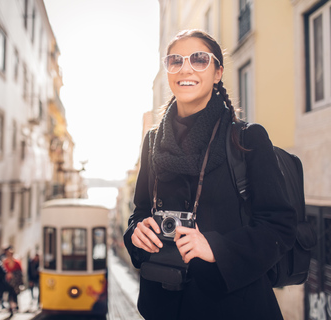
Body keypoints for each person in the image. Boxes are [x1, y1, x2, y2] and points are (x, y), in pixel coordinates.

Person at [123, 29, 297, 320]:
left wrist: (216, 247)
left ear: (218, 72)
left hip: (234, 307)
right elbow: (140, 212)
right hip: (164, 305)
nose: (185, 68)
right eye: (175, 61)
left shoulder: (247, 138)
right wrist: (136, 234)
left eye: (199, 59)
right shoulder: (153, 141)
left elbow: (280, 226)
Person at [2, 246, 23, 315]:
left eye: (10, 254)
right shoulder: (5, 262)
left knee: (14, 295)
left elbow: (20, 272)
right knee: (9, 295)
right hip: (8, 282)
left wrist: (13, 274)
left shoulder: (17, 262)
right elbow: (3, 272)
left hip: (15, 282)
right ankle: (11, 308)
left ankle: (15, 306)